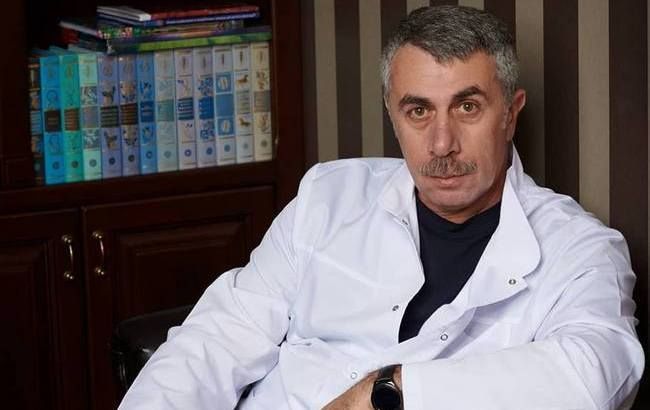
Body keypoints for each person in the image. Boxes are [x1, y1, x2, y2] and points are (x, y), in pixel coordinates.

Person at [119, 6, 644, 409]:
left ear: (510, 113)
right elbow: (216, 339)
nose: (442, 143)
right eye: (418, 111)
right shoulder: (328, 196)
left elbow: (594, 374)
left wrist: (388, 392)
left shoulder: (579, 248)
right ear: (392, 115)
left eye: (467, 107)